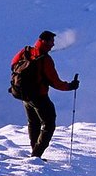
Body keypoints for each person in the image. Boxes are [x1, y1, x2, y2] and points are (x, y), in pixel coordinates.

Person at [11, 30, 79, 160]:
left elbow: (13, 64)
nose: (53, 45)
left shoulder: (26, 51)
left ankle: (34, 153)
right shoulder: (45, 59)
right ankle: (36, 155)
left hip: (24, 95)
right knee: (49, 124)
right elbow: (55, 82)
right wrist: (70, 86)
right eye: (51, 42)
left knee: (34, 123)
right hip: (39, 96)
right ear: (44, 41)